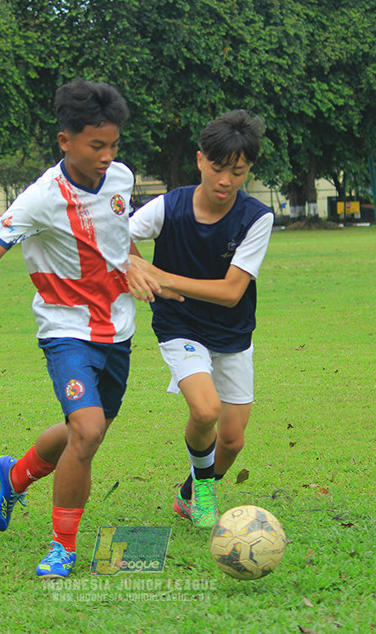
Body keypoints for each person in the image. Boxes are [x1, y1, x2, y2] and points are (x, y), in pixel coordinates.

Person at [0, 79, 161, 579]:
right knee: (89, 430)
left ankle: (15, 475)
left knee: (85, 432)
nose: (107, 155)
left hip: (118, 329)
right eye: (97, 145)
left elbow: (120, 243)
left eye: (114, 144)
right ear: (65, 141)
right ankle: (63, 546)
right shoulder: (40, 199)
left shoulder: (120, 178)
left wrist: (146, 274)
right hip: (64, 329)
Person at [128, 110, 274, 528]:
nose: (225, 181)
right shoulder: (168, 207)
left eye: (238, 171)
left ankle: (190, 492)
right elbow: (115, 234)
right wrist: (138, 271)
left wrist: (162, 276)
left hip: (232, 331)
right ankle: (206, 493)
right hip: (180, 326)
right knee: (205, 410)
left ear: (248, 171)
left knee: (232, 440)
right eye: (217, 168)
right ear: (199, 160)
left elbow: (231, 293)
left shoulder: (256, 217)